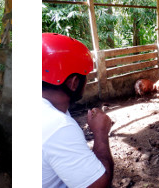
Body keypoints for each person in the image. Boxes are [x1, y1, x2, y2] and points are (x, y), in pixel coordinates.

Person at [41, 33, 114, 188]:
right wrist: (100, 133)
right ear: (74, 83)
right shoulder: (59, 126)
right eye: (85, 75)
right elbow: (100, 185)